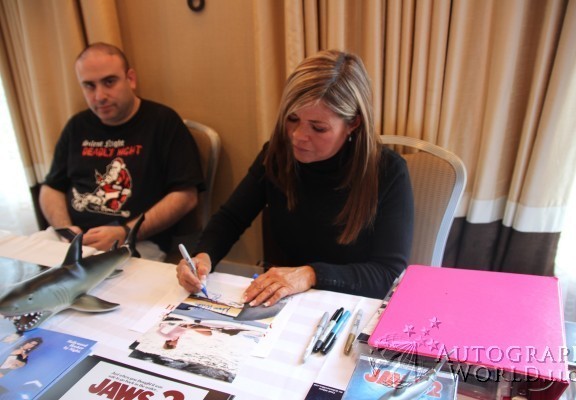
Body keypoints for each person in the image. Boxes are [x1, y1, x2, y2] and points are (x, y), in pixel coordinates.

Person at [176, 49, 413, 305]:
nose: (298, 136)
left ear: (353, 123)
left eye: (318, 128)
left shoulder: (387, 172)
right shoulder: (277, 155)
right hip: (283, 303)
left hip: (350, 305)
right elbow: (231, 219)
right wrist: (204, 256)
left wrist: (311, 274)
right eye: (292, 118)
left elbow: (387, 273)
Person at [39, 42, 205, 260]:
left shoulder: (163, 122)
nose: (99, 96)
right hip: (71, 239)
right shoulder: (76, 125)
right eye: (89, 86)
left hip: (137, 240)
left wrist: (126, 232)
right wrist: (65, 229)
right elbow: (51, 188)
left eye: (109, 82)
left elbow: (186, 196)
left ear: (131, 79)